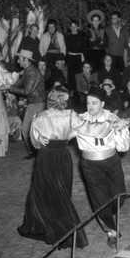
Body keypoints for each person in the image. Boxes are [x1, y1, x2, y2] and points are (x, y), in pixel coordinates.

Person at [17, 87, 88, 248]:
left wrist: (40, 139)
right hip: (63, 156)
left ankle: (44, 226)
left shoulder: (40, 117)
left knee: (41, 191)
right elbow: (85, 130)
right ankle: (63, 227)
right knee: (62, 192)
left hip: (46, 157)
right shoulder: (72, 116)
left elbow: (34, 143)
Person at [73, 86, 130, 246]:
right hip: (90, 165)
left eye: (94, 103)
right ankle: (111, 231)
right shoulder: (79, 120)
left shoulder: (113, 118)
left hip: (112, 162)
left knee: (119, 196)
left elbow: (124, 147)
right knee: (100, 200)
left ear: (103, 104)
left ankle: (107, 211)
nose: (90, 107)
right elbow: (60, 128)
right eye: (88, 103)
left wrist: (120, 129)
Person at [9, 49, 46, 159]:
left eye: (20, 59)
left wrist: (10, 88)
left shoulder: (33, 72)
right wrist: (8, 87)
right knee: (27, 129)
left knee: (30, 129)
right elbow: (18, 85)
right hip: (33, 103)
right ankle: (35, 152)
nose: (18, 61)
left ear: (25, 60)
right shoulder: (27, 71)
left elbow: (27, 91)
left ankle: (38, 152)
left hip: (37, 103)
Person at [65, 19, 87, 93]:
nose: (73, 28)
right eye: (72, 27)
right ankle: (71, 90)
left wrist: (83, 58)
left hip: (78, 58)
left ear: (78, 27)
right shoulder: (67, 37)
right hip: (70, 58)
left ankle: (79, 90)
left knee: (79, 74)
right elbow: (66, 49)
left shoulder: (81, 37)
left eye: (75, 26)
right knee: (71, 75)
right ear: (70, 27)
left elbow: (84, 49)